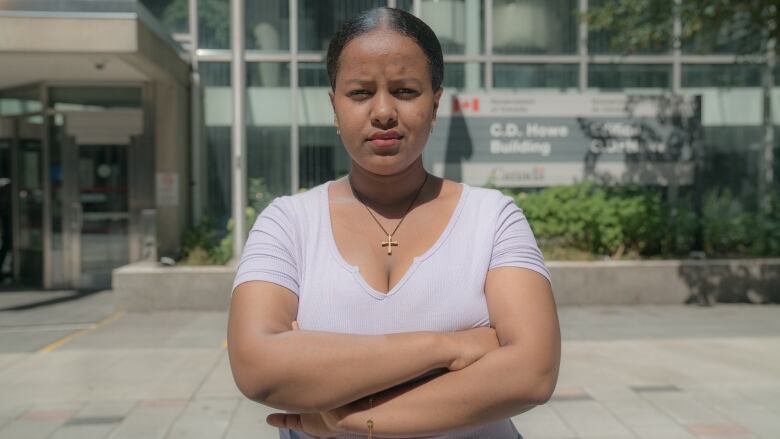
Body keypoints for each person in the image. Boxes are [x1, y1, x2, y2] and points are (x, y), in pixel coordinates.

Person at [228, 7, 560, 439]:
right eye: (361, 93)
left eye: (405, 91)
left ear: (435, 103)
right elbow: (258, 367)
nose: (383, 111)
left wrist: (350, 420)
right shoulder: (288, 223)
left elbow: (532, 373)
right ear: (334, 105)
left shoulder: (492, 218)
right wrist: (452, 346)